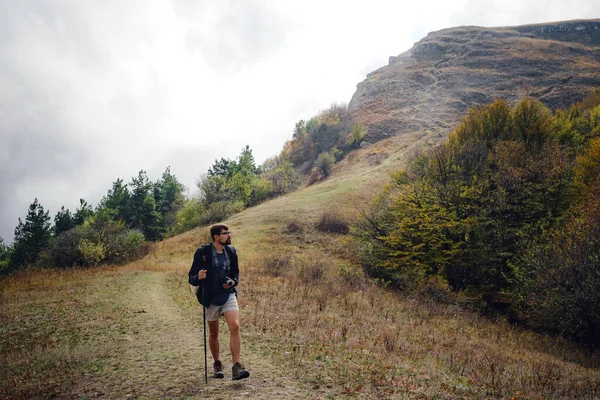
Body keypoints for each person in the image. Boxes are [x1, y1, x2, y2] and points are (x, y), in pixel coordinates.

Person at [188, 224, 250, 381]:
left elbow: (235, 274)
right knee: (214, 332)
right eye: (225, 233)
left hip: (228, 294)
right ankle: (217, 364)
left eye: (229, 232)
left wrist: (232, 282)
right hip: (210, 297)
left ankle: (237, 366)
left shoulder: (231, 251)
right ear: (216, 236)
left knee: (235, 326)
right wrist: (199, 277)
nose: (229, 235)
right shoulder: (202, 252)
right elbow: (192, 277)